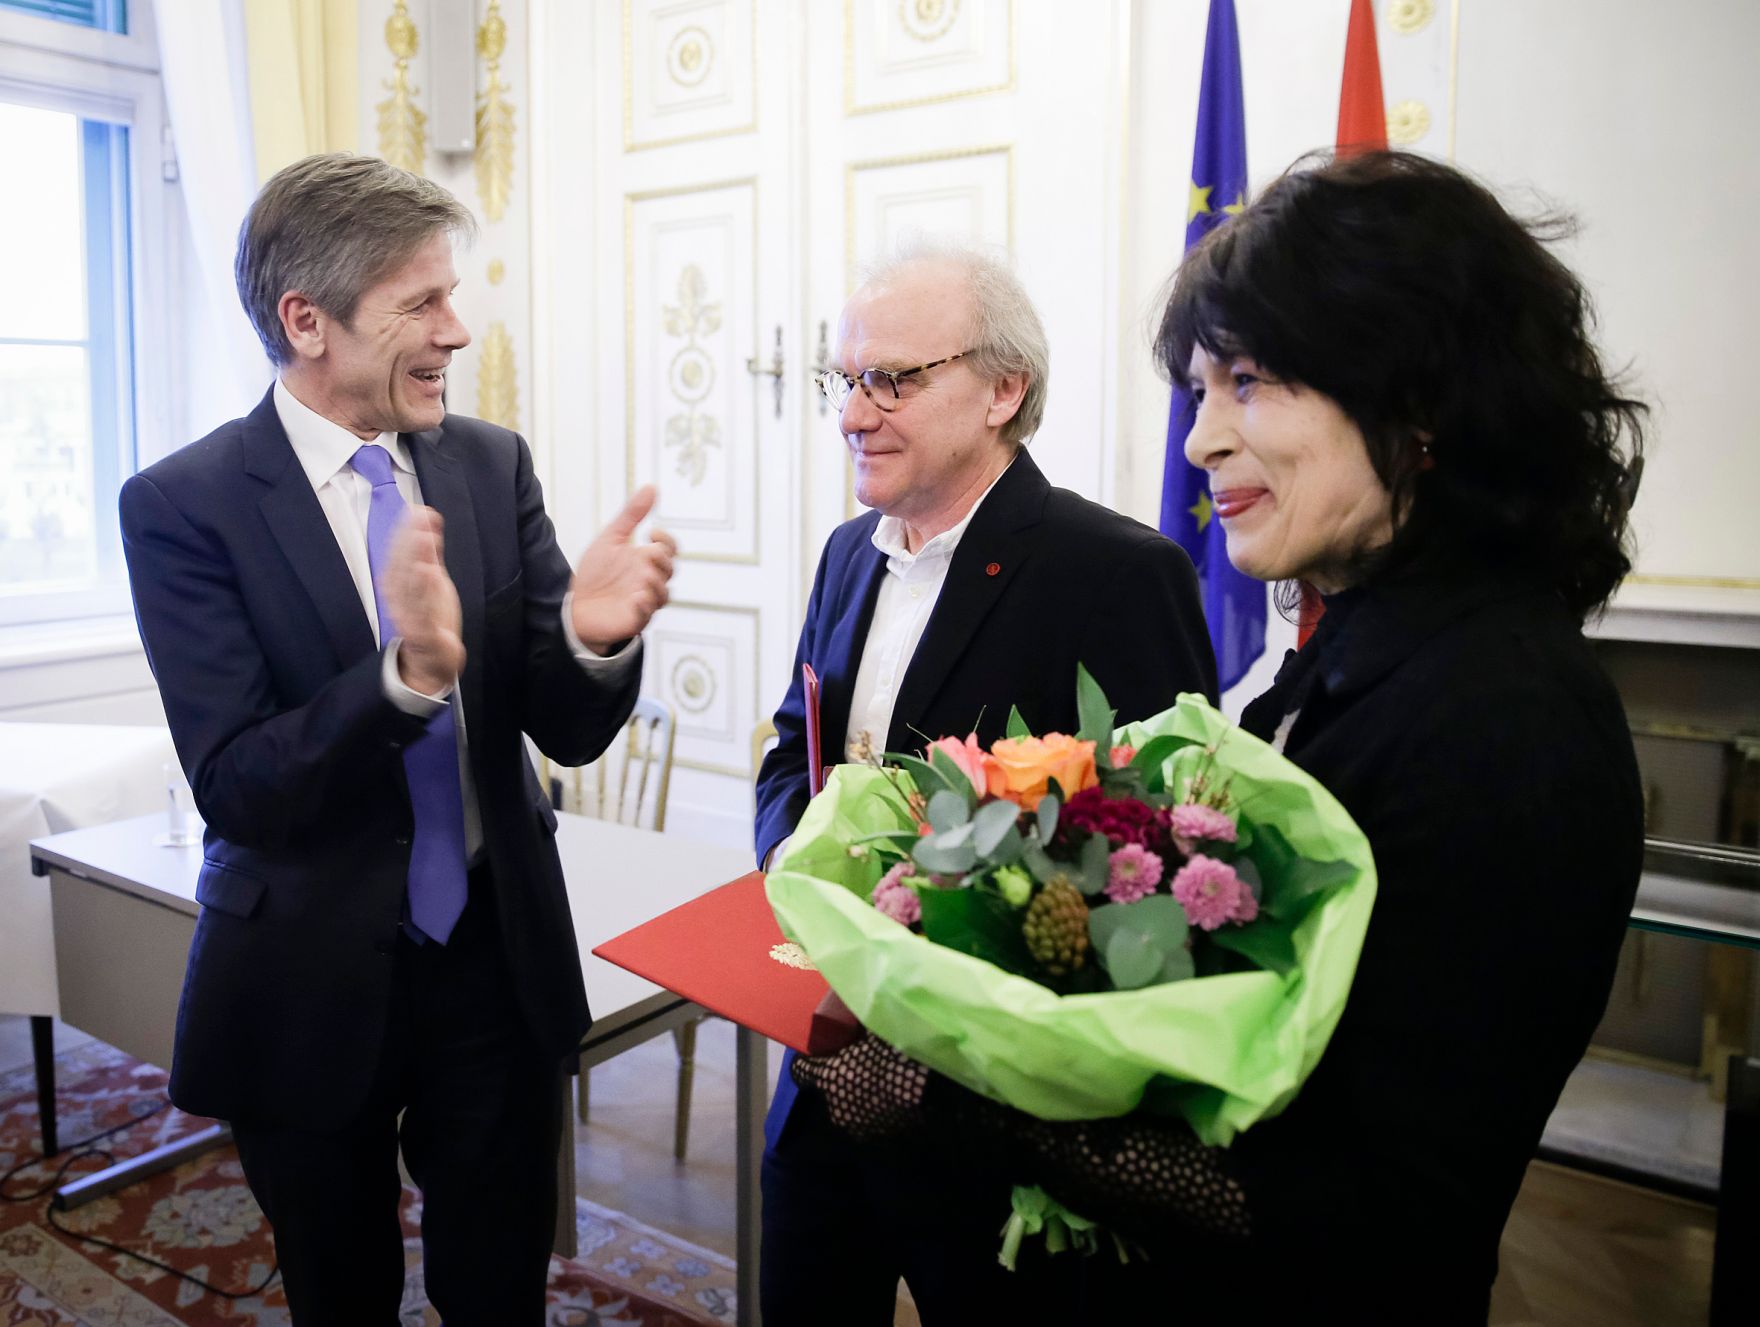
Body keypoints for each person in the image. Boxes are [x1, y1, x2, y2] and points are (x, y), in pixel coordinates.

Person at [791, 151, 1648, 1323]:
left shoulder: (1504, 716)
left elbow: (1387, 1209)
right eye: (1201, 390)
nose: (1198, 442)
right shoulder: (1363, 646)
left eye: (1245, 382)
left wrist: (949, 1092)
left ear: (1419, 396)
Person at [119, 153, 674, 1324]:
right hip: (306, 976)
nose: (456, 331)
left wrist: (590, 638)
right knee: (341, 1292)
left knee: (498, 1288)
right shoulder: (182, 505)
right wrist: (401, 680)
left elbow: (567, 731)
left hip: (493, 956)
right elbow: (238, 787)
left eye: (450, 296)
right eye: (421, 303)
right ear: (306, 321)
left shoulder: (486, 464)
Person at [752, 241, 1217, 1324]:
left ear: (1003, 388)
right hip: (823, 1067)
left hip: (991, 1121)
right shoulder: (844, 555)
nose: (852, 413)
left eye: (892, 380)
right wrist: (795, 864)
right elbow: (792, 749)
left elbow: (1152, 864)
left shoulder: (1113, 574)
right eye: (844, 379)